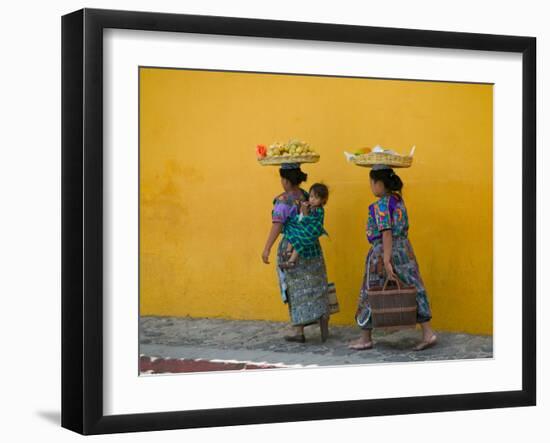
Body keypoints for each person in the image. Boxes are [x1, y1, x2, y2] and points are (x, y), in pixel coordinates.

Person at [348, 164, 437, 351]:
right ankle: (428, 333)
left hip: (384, 252)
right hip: (405, 250)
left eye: (371, 182)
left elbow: (386, 233)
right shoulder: (397, 200)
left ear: (379, 183)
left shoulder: (381, 205)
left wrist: (387, 260)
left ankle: (365, 337)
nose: (371, 186)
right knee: (414, 287)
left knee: (370, 291)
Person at [262, 163, 330, 343]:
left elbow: (277, 224)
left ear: (285, 180)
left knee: (296, 288)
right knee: (316, 283)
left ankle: (299, 331)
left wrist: (267, 247)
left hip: (292, 244)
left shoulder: (283, 200)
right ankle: (323, 324)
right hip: (312, 246)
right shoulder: (308, 195)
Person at [280, 183, 329, 269]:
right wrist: (301, 209)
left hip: (311, 232)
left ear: (322, 200)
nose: (312, 200)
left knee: (300, 239)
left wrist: (305, 213)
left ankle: (291, 261)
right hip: (305, 228)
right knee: (292, 229)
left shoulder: (319, 210)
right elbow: (301, 217)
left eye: (316, 198)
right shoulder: (309, 206)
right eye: (311, 196)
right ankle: (288, 252)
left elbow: (311, 222)